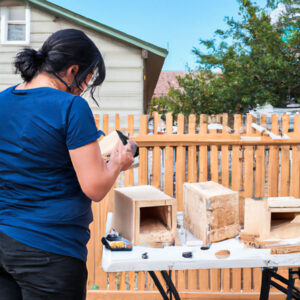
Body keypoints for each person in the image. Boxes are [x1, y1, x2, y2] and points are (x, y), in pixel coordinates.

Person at [0, 29, 134, 300]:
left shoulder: (3, 100)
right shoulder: (71, 107)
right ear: (73, 70)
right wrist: (118, 162)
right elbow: (95, 188)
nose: (85, 87)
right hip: (50, 251)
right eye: (87, 78)